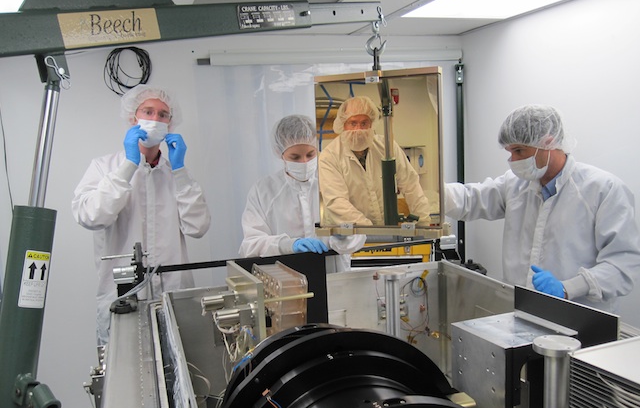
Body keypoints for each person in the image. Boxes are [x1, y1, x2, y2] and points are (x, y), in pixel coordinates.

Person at [445, 104, 640, 312]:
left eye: (519, 150)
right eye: (510, 152)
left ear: (548, 143)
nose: (513, 160)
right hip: (521, 313)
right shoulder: (516, 184)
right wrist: (426, 191)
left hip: (580, 319)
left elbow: (622, 265)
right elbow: (470, 199)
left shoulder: (603, 190)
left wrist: (568, 288)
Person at [72, 85, 211, 344]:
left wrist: (180, 171)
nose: (155, 119)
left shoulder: (176, 174)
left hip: (173, 298)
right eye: (148, 112)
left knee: (180, 372)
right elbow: (90, 215)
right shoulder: (104, 168)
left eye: (163, 115)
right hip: (122, 300)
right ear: (132, 118)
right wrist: (128, 166)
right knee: (125, 375)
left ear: (171, 123)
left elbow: (198, 227)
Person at [239, 114, 365, 271]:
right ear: (280, 153)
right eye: (295, 157)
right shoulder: (264, 191)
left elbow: (360, 233)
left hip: (333, 277)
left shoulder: (337, 182)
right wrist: (288, 245)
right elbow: (251, 245)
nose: (304, 162)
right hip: (285, 282)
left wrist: (343, 236)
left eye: (310, 154)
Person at [318, 95, 431, 226]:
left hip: (384, 230)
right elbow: (337, 202)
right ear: (343, 125)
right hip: (348, 235)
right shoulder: (329, 156)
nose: (358, 129)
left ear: (372, 124)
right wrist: (369, 230)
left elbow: (410, 184)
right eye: (353, 123)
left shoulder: (386, 146)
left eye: (364, 123)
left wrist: (423, 221)